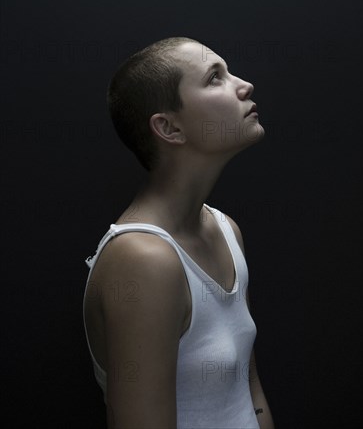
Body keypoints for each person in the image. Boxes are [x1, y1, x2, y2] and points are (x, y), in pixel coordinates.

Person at [83, 37, 275, 429]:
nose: (244, 85)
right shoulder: (141, 259)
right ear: (169, 127)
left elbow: (248, 391)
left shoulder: (225, 230)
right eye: (214, 78)